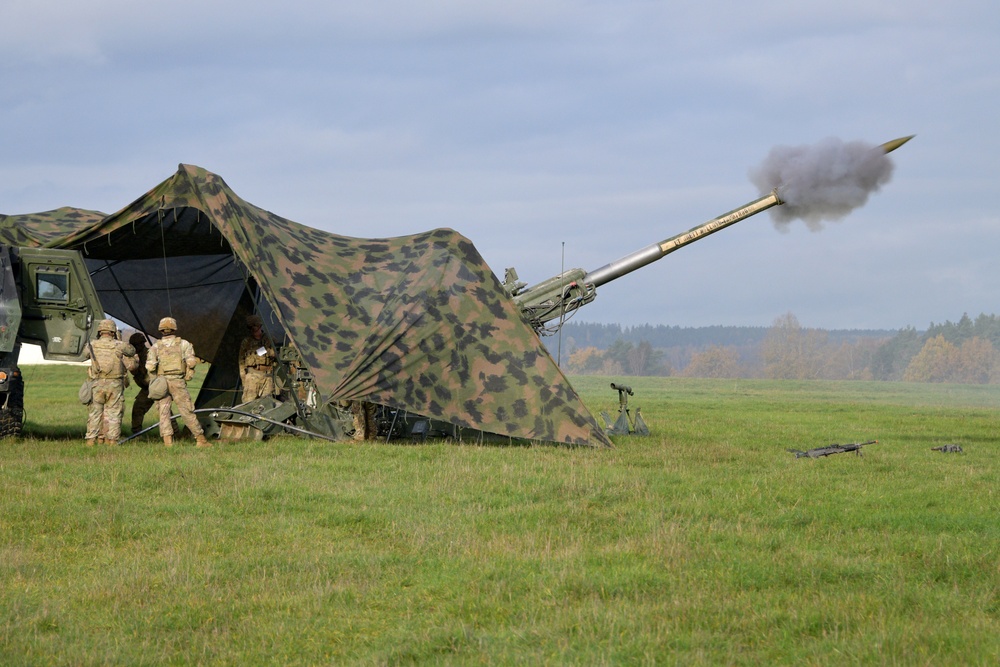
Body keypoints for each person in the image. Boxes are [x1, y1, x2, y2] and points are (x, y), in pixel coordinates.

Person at [145, 317, 210, 448]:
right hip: (178, 381)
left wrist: (154, 381)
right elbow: (191, 362)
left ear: (161, 330)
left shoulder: (155, 347)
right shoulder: (184, 344)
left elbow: (150, 367)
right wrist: (188, 373)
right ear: (174, 328)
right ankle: (200, 439)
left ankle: (168, 443)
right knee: (187, 411)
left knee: (164, 413)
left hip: (161, 382)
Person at [84, 319, 137, 447]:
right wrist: (119, 339)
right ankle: (112, 441)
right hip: (115, 384)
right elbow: (132, 351)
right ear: (113, 332)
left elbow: (85, 355)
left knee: (95, 413)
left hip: (97, 383)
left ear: (100, 331)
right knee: (113, 413)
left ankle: (91, 441)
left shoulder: (92, 344)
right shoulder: (119, 345)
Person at [238, 314, 277, 403]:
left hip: (267, 377)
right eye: (250, 327)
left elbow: (276, 355)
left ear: (259, 326)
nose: (253, 329)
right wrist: (244, 379)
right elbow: (241, 362)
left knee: (267, 404)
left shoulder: (269, 339)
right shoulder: (246, 342)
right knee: (248, 403)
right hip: (252, 377)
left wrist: (268, 351)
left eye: (255, 326)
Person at [128, 331, 155, 434]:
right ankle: (136, 433)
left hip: (155, 386)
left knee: (165, 411)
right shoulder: (136, 357)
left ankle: (175, 433)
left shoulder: (149, 355)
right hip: (147, 388)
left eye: (136, 345)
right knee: (138, 408)